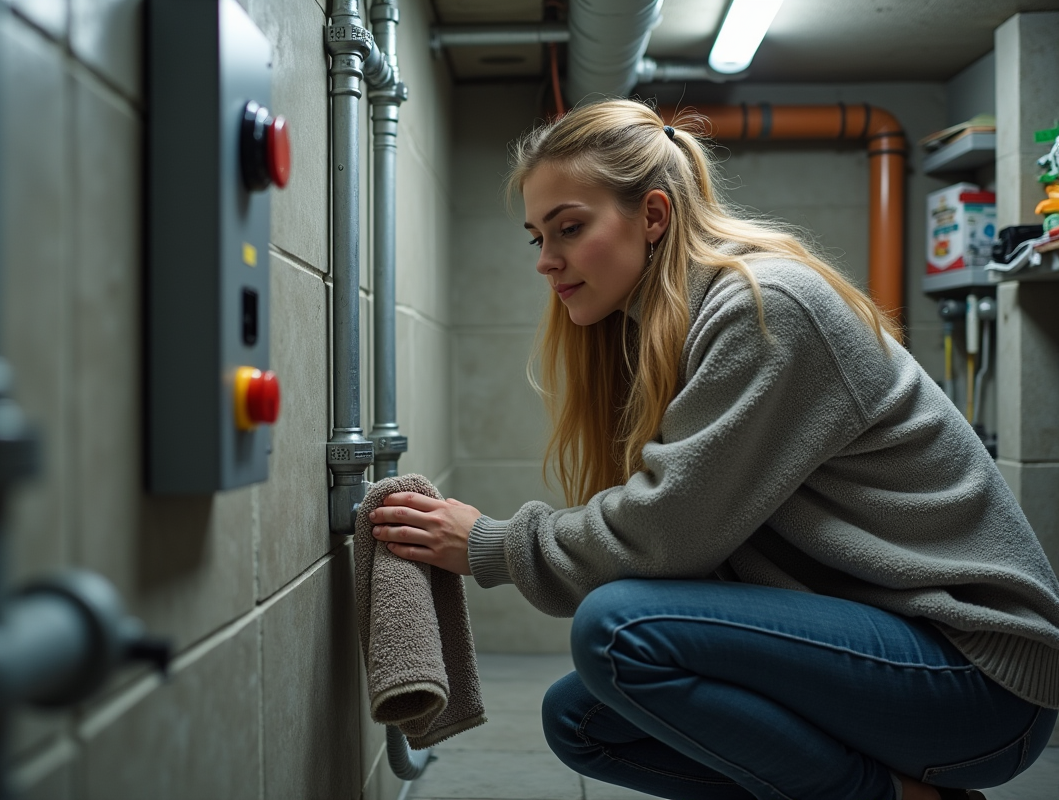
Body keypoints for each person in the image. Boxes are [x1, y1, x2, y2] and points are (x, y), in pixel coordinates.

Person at [365, 98, 1059, 800]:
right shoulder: (666, 327)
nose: (547, 261)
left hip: (979, 675)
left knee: (618, 632)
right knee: (581, 722)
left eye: (569, 229)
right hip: (902, 651)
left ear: (654, 216)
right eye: (537, 238)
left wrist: (492, 543)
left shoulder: (764, 308)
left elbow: (663, 535)